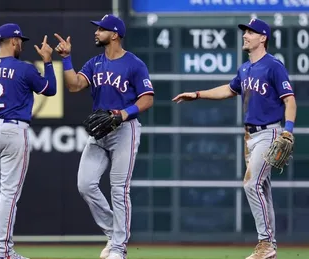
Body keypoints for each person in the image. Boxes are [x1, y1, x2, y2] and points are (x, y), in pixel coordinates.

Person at [172, 18, 296, 259]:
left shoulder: (273, 66)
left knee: (251, 184)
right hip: (250, 135)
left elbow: (289, 99)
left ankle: (265, 244)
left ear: (263, 38)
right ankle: (270, 247)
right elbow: (229, 90)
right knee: (263, 190)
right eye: (245, 32)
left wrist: (287, 130)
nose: (245, 36)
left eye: (250, 32)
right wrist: (197, 94)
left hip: (269, 131)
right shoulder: (245, 68)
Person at [53, 14, 154, 259]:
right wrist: (66, 59)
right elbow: (74, 85)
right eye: (97, 29)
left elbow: (148, 98)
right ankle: (114, 233)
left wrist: (124, 113)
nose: (96, 32)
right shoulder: (94, 63)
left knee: (119, 189)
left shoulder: (134, 63)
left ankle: (119, 247)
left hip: (125, 130)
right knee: (85, 184)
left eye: (101, 29)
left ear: (115, 34)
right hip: (100, 131)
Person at [0, 23, 57, 259]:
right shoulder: (24, 69)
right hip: (14, 131)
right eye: (20, 42)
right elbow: (50, 90)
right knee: (9, 194)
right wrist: (47, 61)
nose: (21, 46)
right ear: (14, 41)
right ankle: (3, 250)